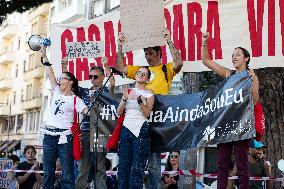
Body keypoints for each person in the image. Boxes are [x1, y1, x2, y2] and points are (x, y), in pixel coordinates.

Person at [116, 28, 183, 189]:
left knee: (153, 164)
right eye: (146, 53)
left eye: (151, 53)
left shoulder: (166, 69)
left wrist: (168, 40)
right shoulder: (140, 71)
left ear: (160, 54)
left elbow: (179, 63)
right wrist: (120, 46)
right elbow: (120, 67)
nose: (147, 56)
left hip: (159, 121)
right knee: (130, 163)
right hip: (139, 123)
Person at [201, 32, 260, 189]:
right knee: (222, 165)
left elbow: (256, 100)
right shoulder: (229, 74)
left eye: (238, 55)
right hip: (225, 125)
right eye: (233, 55)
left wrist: (253, 80)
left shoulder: (251, 75)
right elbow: (206, 61)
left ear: (246, 59)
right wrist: (204, 42)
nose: (234, 57)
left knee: (242, 165)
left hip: (242, 125)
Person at [62, 57, 115, 189]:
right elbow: (70, 84)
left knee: (100, 167)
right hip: (85, 131)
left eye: (95, 76)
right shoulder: (84, 91)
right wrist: (64, 67)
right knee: (83, 167)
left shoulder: (107, 91)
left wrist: (106, 65)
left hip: (101, 131)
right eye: (90, 76)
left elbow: (112, 83)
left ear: (103, 77)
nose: (92, 79)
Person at [40, 46, 89, 189]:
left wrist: (94, 110)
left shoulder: (76, 100)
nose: (59, 80)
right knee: (48, 172)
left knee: (67, 173)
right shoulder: (56, 91)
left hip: (65, 137)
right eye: (59, 78)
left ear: (70, 82)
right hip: (49, 135)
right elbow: (50, 73)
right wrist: (44, 56)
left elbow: (87, 111)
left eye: (63, 78)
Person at [116, 67, 155, 188]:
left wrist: (139, 101)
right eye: (139, 72)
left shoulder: (149, 93)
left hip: (141, 129)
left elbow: (147, 113)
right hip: (126, 128)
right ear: (135, 75)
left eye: (144, 74)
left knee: (137, 168)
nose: (141, 75)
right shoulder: (127, 90)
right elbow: (118, 112)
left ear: (148, 78)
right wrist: (124, 99)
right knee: (123, 167)